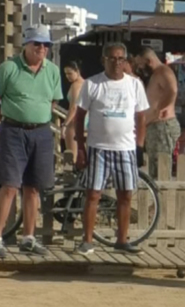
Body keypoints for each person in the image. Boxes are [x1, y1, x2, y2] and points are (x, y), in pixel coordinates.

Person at [73, 42, 149, 255]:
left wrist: (140, 146)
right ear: (104, 60)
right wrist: (80, 147)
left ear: (126, 61)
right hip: (99, 147)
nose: (116, 63)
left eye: (120, 58)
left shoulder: (134, 84)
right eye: (112, 58)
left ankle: (122, 240)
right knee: (93, 194)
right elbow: (80, 117)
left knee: (125, 194)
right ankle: (87, 240)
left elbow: (141, 117)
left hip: (125, 148)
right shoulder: (92, 84)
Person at [0, 25, 63, 258]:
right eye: (37, 43)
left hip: (41, 132)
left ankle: (28, 238)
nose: (42, 49)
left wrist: (39, 119)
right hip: (13, 130)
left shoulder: (53, 71)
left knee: (33, 187)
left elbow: (54, 102)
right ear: (26, 44)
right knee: (9, 185)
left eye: (46, 45)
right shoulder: (8, 69)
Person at [139, 48, 179, 177]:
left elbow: (172, 90)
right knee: (154, 168)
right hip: (154, 126)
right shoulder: (156, 74)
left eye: (141, 65)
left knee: (161, 168)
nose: (140, 68)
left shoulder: (163, 71)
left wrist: (161, 108)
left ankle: (162, 197)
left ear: (148, 61)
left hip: (162, 125)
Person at [62, 61, 85, 157]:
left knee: (70, 155)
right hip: (85, 122)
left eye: (70, 73)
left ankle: (68, 171)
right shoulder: (86, 83)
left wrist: (65, 124)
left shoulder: (75, 86)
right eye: (66, 74)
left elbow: (73, 107)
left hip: (73, 122)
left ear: (77, 71)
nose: (68, 76)